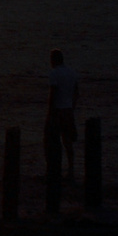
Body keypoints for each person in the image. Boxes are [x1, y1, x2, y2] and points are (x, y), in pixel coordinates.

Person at [45, 50, 80, 178]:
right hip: (68, 110)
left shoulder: (54, 73)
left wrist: (50, 113)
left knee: (52, 140)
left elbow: (52, 94)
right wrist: (72, 107)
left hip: (57, 110)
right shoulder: (72, 72)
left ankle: (53, 169)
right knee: (68, 141)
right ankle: (71, 168)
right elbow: (76, 92)